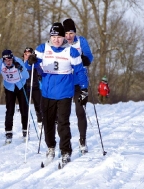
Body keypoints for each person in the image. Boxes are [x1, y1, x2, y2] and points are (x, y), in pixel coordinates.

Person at [26, 22, 89, 167]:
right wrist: (31, 61)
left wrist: (84, 89)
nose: (56, 39)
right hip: (47, 93)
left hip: (65, 93)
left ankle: (66, 151)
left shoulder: (71, 51)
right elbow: (30, 65)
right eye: (54, 36)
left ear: (64, 38)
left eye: (60, 37)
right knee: (48, 123)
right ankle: (51, 148)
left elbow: (80, 71)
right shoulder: (43, 49)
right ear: (50, 37)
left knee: (63, 123)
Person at [63, 18, 94, 154]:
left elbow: (89, 56)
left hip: (80, 82)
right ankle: (65, 142)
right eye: (66, 34)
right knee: (63, 115)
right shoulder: (59, 44)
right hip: (64, 83)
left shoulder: (81, 41)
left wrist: (85, 59)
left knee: (80, 112)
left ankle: (82, 140)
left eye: (71, 33)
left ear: (75, 33)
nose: (69, 37)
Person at [0, 49, 29, 144]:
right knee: (10, 110)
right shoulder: (0, 63)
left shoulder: (18, 61)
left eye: (10, 60)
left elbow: (27, 76)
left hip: (21, 85)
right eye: (6, 60)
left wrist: (21, 68)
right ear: (3, 59)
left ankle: (25, 131)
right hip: (9, 87)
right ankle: (8, 134)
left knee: (24, 109)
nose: (8, 62)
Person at [22, 47, 43, 130]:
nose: (27, 56)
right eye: (25, 54)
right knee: (25, 108)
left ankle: (40, 122)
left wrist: (39, 72)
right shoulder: (21, 64)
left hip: (35, 87)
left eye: (29, 54)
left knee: (38, 106)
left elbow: (41, 72)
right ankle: (26, 126)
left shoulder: (35, 63)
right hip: (25, 87)